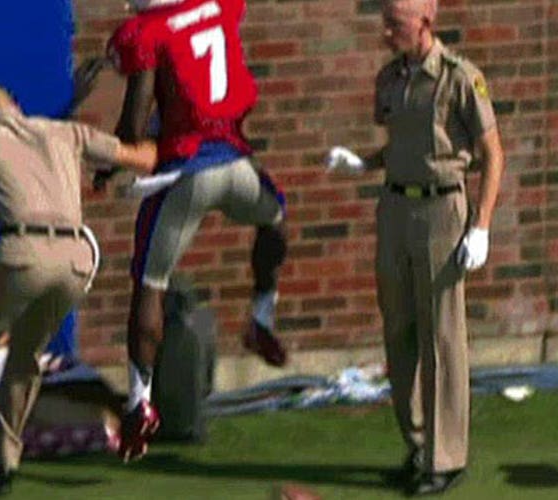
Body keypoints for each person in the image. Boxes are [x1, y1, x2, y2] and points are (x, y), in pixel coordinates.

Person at [0, 84, 157, 499]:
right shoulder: (64, 131)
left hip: (23, 254)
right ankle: (3, 465)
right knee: (25, 359)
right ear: (18, 106)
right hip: (77, 258)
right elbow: (140, 158)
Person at [94, 0, 289, 462]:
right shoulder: (220, 6)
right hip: (235, 162)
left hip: (186, 174)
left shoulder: (146, 31)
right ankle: (261, 313)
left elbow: (134, 119)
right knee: (274, 219)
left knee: (150, 285)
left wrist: (111, 163)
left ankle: (140, 402)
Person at [324, 0, 504, 495]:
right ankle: (420, 444)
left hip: (442, 212)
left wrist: (482, 225)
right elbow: (403, 146)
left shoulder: (459, 78)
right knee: (398, 328)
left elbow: (493, 153)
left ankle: (446, 458)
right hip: (396, 209)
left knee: (441, 336)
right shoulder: (390, 78)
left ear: (425, 23)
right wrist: (363, 163)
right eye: (384, 22)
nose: (385, 31)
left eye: (394, 23)